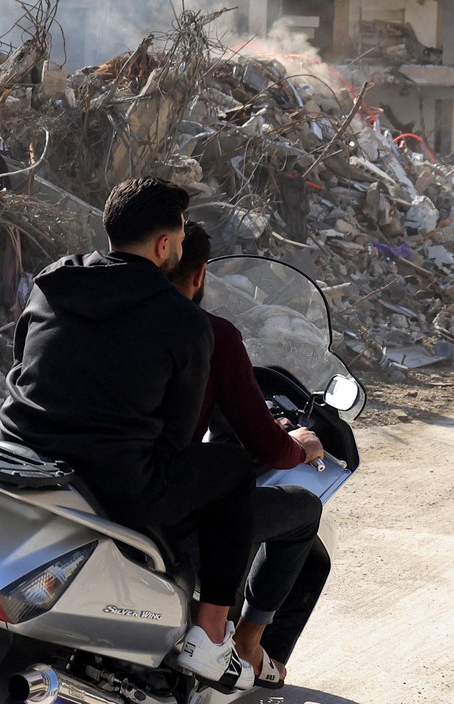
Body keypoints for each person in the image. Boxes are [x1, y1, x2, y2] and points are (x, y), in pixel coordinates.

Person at [0, 177, 257, 689]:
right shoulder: (185, 322)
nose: (181, 252)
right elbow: (178, 440)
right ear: (165, 246)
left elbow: (24, 358)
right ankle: (209, 635)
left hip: (18, 454)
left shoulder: (55, 278)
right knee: (234, 467)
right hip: (114, 488)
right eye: (181, 243)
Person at [169, 221, 330, 688]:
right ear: (196, 272)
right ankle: (239, 639)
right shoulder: (209, 334)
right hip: (156, 491)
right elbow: (262, 443)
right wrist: (295, 447)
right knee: (290, 503)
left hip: (72, 469)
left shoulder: (69, 297)